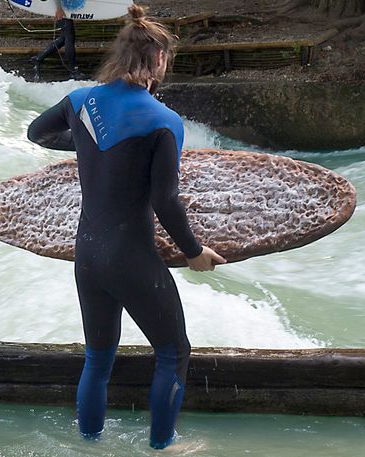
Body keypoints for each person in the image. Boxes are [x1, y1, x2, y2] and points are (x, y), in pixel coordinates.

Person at [27, 4, 226, 449]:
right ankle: (163, 446)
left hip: (87, 254)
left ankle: (89, 442)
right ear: (157, 60)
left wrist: (83, 145)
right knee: (174, 353)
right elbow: (165, 201)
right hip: (131, 256)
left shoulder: (80, 101)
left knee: (98, 358)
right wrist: (194, 252)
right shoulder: (163, 121)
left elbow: (35, 133)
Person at [32, 0, 85, 81]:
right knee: (69, 37)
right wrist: (59, 9)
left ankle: (38, 58)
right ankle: (73, 71)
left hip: (65, 6)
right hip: (61, 8)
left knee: (64, 38)